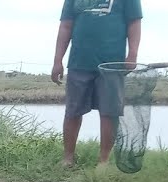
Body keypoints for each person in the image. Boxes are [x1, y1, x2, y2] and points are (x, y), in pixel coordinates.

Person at [51, 0, 143, 168]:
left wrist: (132, 55)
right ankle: (68, 157)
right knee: (73, 111)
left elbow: (134, 22)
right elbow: (65, 26)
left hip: (112, 64)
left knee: (109, 112)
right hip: (79, 61)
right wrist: (58, 60)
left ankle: (103, 161)